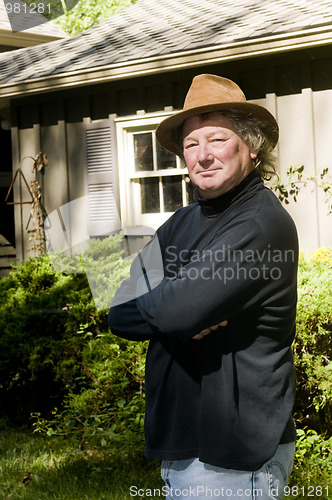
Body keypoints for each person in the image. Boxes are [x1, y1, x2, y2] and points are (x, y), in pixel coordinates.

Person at [108, 74, 298, 499]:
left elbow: (176, 312)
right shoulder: (180, 223)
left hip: (232, 456)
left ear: (250, 146)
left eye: (216, 139)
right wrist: (179, 305)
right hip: (178, 442)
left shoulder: (260, 225)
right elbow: (118, 311)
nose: (203, 155)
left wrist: (172, 305)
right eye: (192, 145)